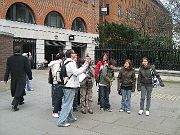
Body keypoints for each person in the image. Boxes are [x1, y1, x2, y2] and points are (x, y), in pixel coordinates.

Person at [57, 49, 89, 127]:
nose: (75, 54)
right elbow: (76, 73)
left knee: (68, 103)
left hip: (67, 85)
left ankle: (70, 117)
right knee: (67, 104)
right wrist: (85, 66)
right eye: (74, 53)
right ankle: (61, 121)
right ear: (71, 55)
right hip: (70, 85)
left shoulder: (66, 61)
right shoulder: (71, 63)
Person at [4, 46, 32, 111]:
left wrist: (5, 78)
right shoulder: (24, 59)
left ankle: (21, 100)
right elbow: (28, 69)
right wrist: (30, 77)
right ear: (20, 51)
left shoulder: (9, 59)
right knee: (19, 89)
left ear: (14, 51)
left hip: (14, 77)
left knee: (19, 89)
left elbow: (7, 70)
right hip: (21, 77)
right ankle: (15, 104)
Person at [48, 52, 65, 118]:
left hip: (55, 82)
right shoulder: (57, 64)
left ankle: (57, 108)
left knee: (56, 95)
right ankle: (56, 110)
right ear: (63, 58)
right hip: (57, 82)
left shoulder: (54, 63)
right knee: (57, 96)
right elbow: (56, 73)